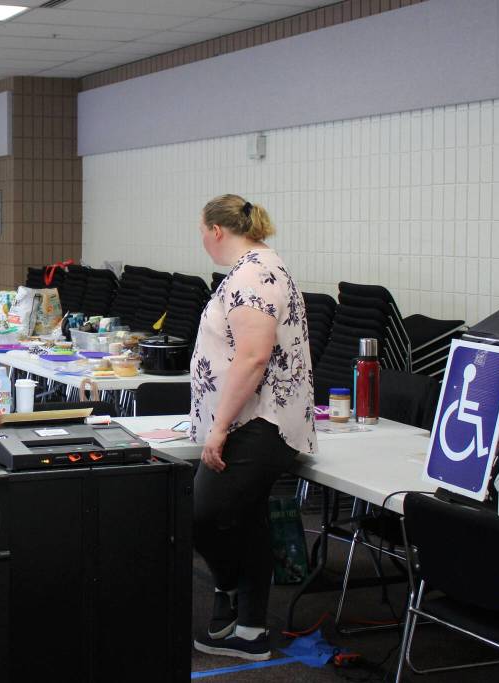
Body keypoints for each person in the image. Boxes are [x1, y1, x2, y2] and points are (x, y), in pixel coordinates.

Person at [189, 194, 316, 661]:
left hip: (256, 425)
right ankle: (249, 629)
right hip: (258, 421)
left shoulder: (252, 275)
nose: (201, 239)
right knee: (247, 519)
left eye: (201, 230)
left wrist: (219, 426)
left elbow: (253, 356)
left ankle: (228, 591)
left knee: (201, 515)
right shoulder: (258, 268)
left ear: (217, 231)